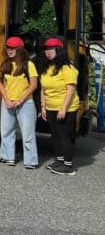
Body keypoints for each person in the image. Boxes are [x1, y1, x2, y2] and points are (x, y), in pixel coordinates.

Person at [38, 37, 79, 176]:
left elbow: (71, 89)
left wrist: (63, 108)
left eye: (51, 49)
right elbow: (43, 89)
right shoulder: (47, 67)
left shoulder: (68, 67)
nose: (48, 52)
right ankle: (59, 161)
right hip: (50, 107)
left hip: (66, 108)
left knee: (64, 136)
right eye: (46, 50)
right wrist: (43, 106)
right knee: (55, 135)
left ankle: (68, 165)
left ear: (59, 50)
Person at [0, 36, 39, 169]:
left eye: (13, 48)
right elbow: (0, 83)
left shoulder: (29, 64)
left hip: (25, 103)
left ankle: (31, 161)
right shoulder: (4, 64)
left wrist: (20, 100)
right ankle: (8, 157)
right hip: (8, 102)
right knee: (6, 131)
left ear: (20, 49)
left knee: (28, 133)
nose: (9, 50)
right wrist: (7, 100)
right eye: (8, 48)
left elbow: (34, 85)